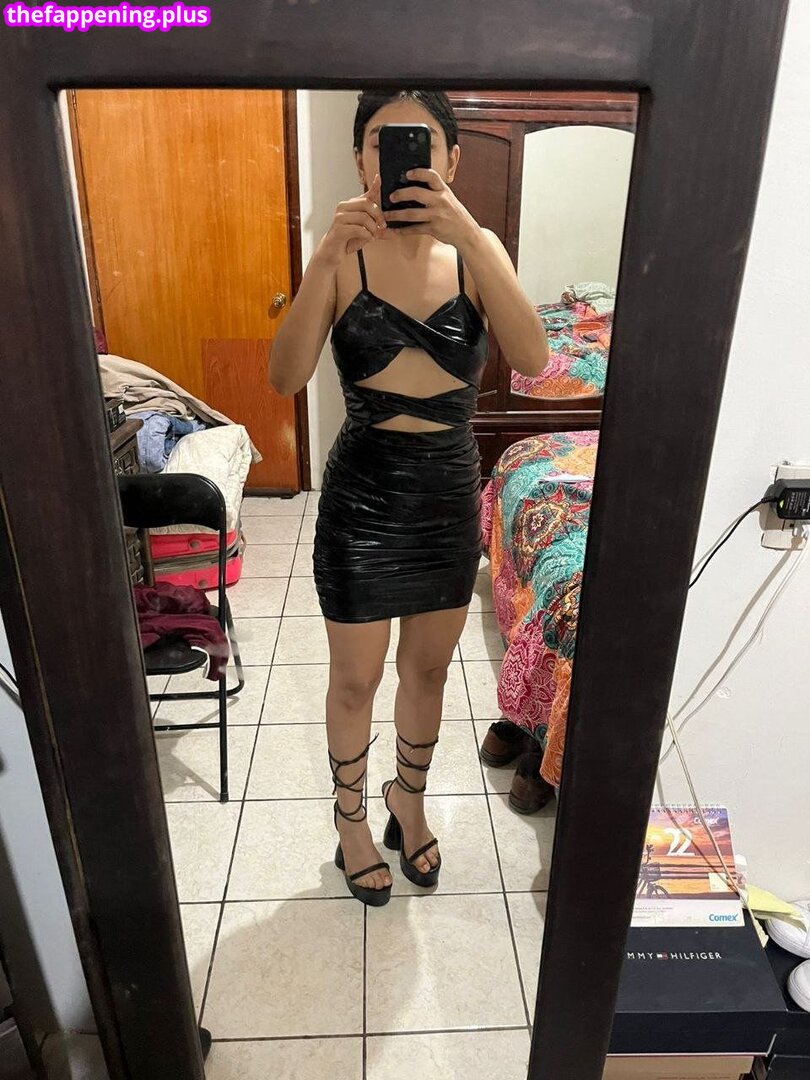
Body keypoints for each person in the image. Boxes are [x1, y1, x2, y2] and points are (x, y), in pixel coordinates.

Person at [269, 89, 549, 906]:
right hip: (362, 499)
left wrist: (471, 237)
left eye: (423, 143)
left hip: (445, 499)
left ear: (452, 160)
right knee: (355, 680)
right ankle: (350, 818)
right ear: (360, 158)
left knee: (427, 670)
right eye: (382, 142)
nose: (401, 157)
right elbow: (284, 378)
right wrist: (324, 257)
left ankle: (408, 801)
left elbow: (533, 359)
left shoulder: (477, 251)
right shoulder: (340, 254)